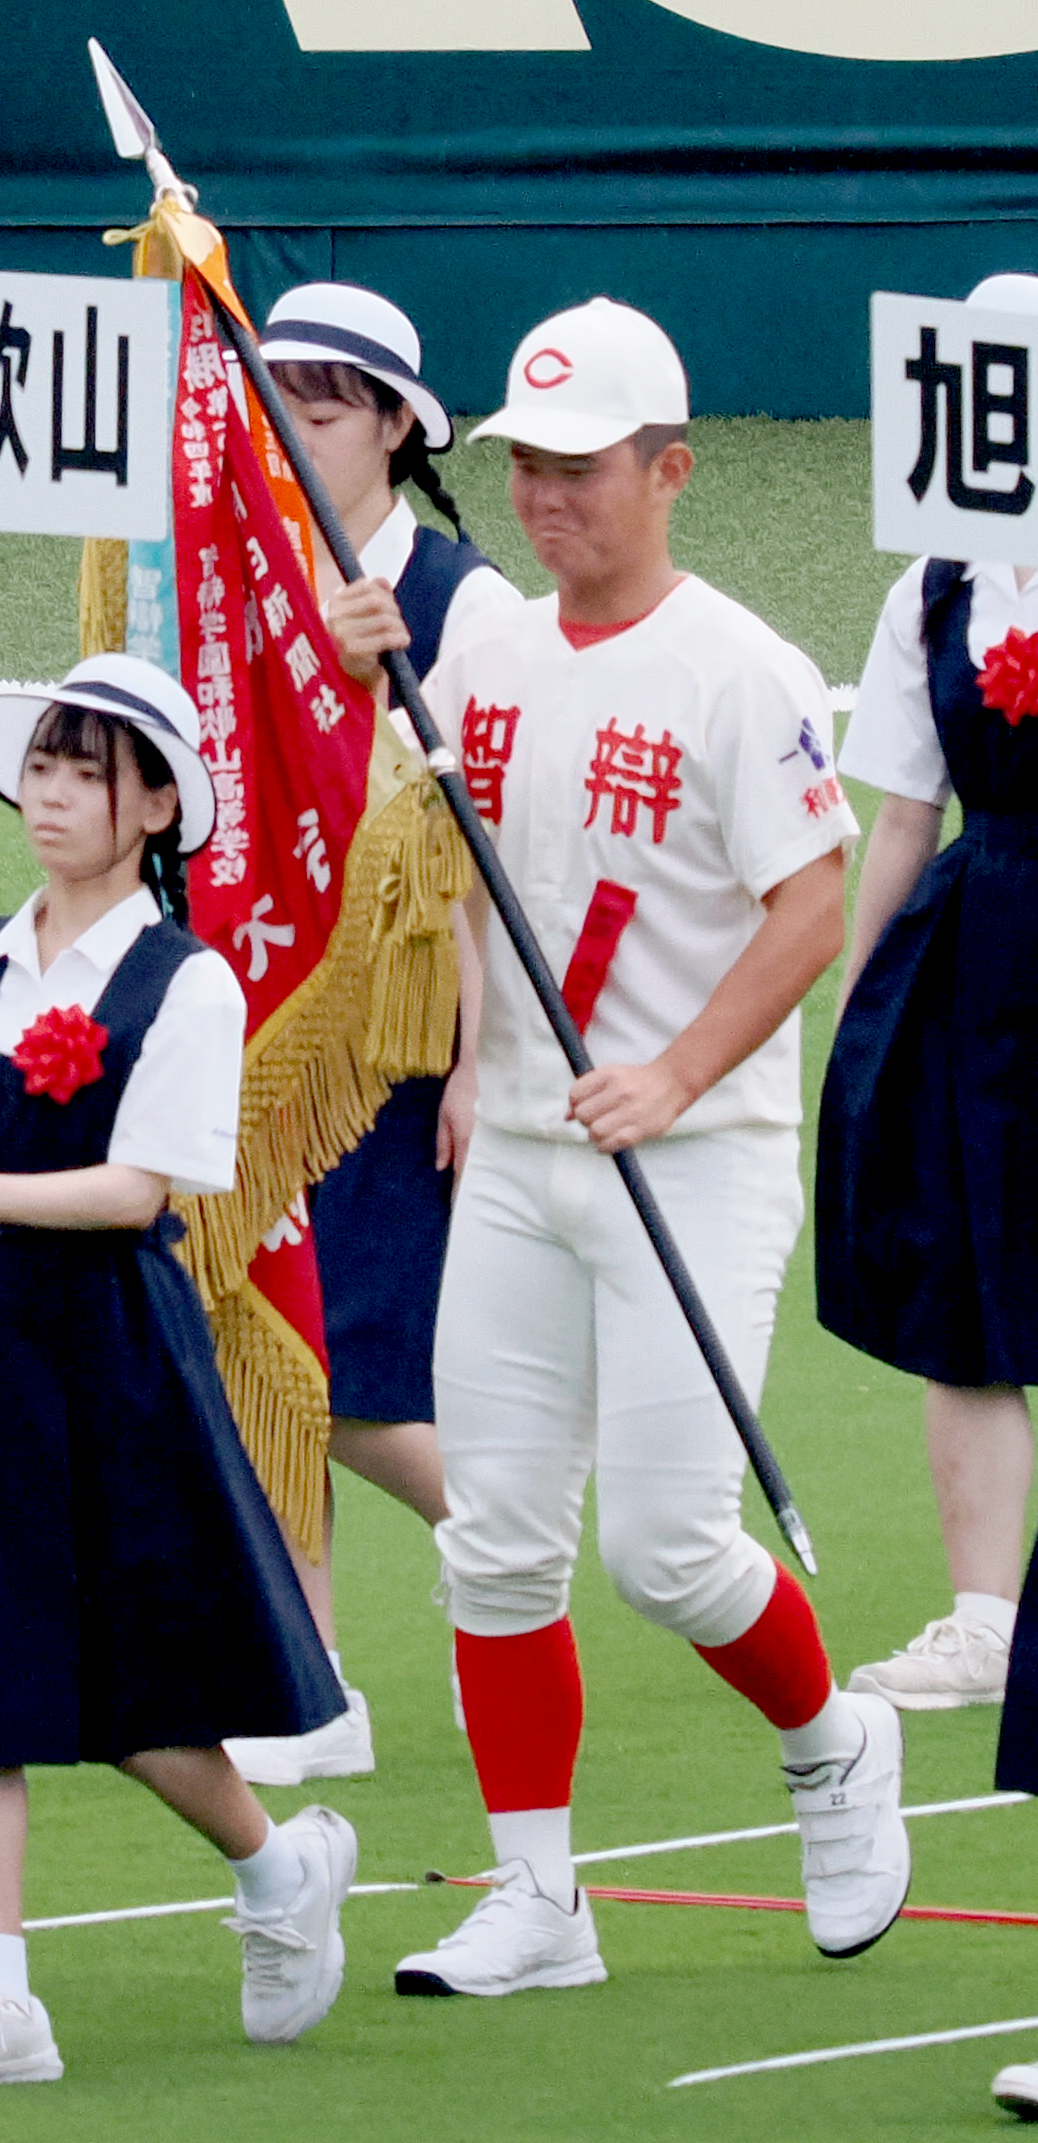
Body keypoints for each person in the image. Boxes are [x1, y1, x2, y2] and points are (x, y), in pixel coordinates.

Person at [391, 298, 904, 2001]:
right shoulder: (485, 653)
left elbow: (809, 901)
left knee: (666, 1547)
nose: (543, 497)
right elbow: (463, 866)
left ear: (667, 471)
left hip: (690, 1153)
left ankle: (830, 1747)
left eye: (578, 467)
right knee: (494, 1538)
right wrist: (476, 1061)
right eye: (523, 467)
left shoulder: (738, 667)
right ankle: (536, 1896)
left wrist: (673, 1074)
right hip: (524, 1152)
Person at [0, 656, 358, 2090]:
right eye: (44, 768)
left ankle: (274, 1867)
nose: (52, 797)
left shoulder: (188, 984)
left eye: (88, 772)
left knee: (134, 1684)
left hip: (113, 1346)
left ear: (157, 806)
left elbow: (141, 1193)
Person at [224, 283, 521, 1786]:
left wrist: (478, 1060)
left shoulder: (467, 605)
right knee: (264, 1348)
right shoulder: (249, 577)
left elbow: (496, 852)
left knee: (351, 1383)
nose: (295, 430)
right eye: (275, 402)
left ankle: (502, 1553)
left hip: (398, 1041)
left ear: (400, 427)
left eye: (327, 406)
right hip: (267, 1015)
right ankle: (314, 1675)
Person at [819, 273, 1038, 1716]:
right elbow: (905, 810)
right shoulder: (938, 582)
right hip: (984, 948)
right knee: (968, 1282)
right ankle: (985, 1621)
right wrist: (852, 1024)